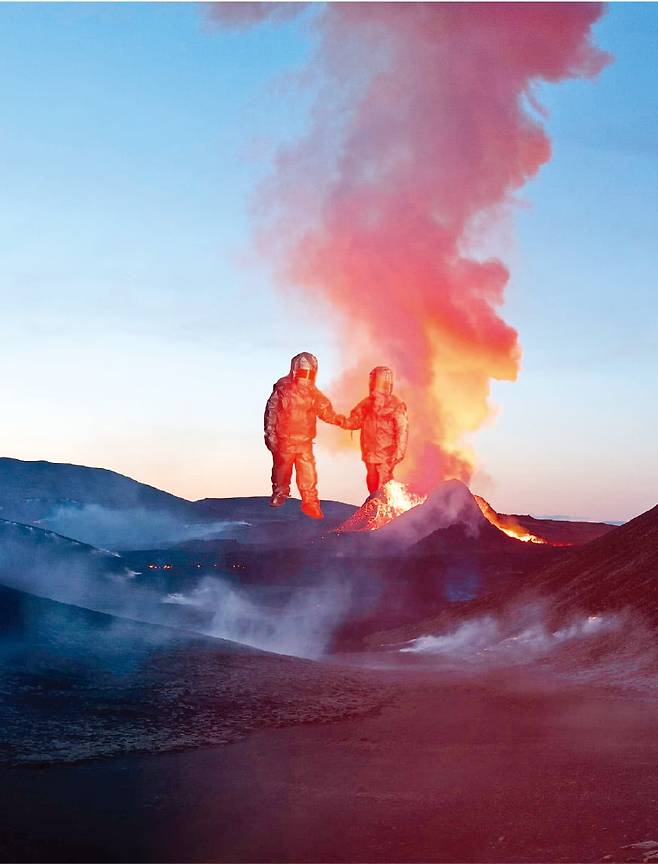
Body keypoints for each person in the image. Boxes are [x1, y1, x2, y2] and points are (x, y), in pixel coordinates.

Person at [264, 352, 344, 519]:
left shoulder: (314, 394)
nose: (304, 376)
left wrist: (339, 420)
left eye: (308, 373)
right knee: (282, 469)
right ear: (294, 370)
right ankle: (280, 492)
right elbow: (271, 411)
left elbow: (325, 411)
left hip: (304, 442)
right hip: (285, 439)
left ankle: (310, 502)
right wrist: (270, 433)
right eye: (302, 372)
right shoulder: (282, 388)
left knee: (307, 472)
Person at [341, 366, 408, 496]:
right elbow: (356, 421)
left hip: (386, 452)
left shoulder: (395, 404)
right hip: (370, 451)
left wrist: (399, 452)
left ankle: (383, 506)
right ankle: (375, 503)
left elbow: (402, 429)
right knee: (372, 479)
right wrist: (341, 421)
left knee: (383, 480)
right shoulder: (367, 403)